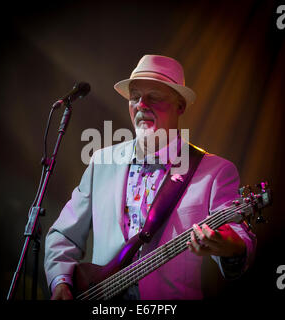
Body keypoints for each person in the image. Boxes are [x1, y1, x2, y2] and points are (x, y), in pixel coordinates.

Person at [44, 55, 257, 300]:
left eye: (154, 97)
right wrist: (60, 282)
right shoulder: (101, 162)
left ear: (180, 106)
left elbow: (240, 240)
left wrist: (232, 246)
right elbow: (63, 235)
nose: (141, 105)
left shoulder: (215, 171)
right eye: (135, 97)